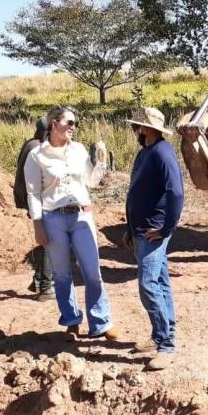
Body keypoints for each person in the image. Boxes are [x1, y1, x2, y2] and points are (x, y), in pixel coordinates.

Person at [24, 106, 116, 339]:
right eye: (70, 122)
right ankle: (71, 321)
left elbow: (91, 182)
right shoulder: (37, 156)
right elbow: (33, 193)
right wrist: (38, 225)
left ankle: (101, 322)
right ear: (54, 124)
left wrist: (101, 164)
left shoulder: (79, 150)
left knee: (92, 270)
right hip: (53, 217)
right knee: (62, 273)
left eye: (75, 123)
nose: (74, 127)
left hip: (81, 214)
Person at [123, 106, 184, 372]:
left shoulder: (163, 153)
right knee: (160, 281)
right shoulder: (144, 153)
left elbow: (176, 193)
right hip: (140, 229)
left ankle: (166, 345)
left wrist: (166, 227)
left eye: (137, 126)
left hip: (153, 231)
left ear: (146, 128)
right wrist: (129, 227)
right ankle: (160, 335)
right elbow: (136, 192)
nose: (135, 130)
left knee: (148, 285)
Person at [14, 116, 54, 301]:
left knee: (46, 240)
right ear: (47, 131)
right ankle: (45, 288)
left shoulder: (29, 143)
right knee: (49, 243)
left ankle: (38, 280)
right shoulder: (37, 148)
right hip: (37, 200)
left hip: (28, 198)